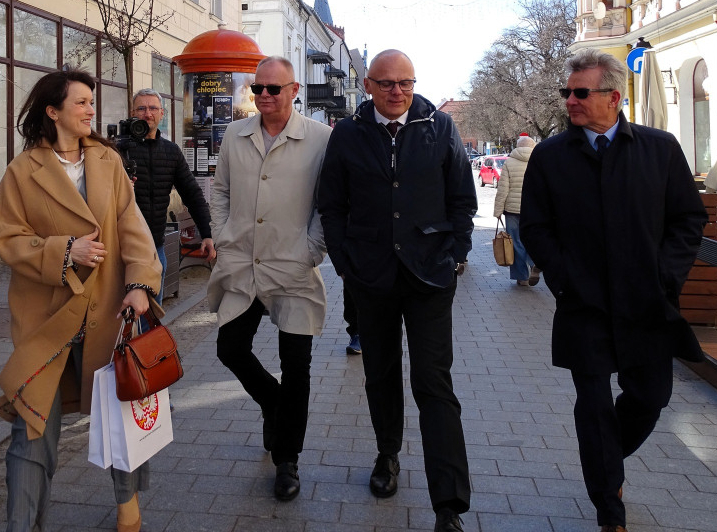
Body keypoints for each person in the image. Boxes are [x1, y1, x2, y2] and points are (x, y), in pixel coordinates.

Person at [520, 49, 707, 532]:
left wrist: (666, 276)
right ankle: (610, 509)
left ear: (614, 97)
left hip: (646, 302)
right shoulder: (550, 156)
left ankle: (604, 462)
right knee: (594, 405)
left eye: (581, 92)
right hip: (584, 305)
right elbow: (535, 226)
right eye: (567, 92)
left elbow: (688, 219)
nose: (571, 101)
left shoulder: (659, 148)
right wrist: (564, 278)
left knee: (651, 397)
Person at [0, 69, 162, 532]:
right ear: (53, 111)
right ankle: (22, 524)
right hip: (47, 320)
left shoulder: (107, 162)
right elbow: (7, 238)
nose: (90, 110)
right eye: (81, 102)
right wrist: (65, 250)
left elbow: (132, 228)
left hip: (108, 311)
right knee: (31, 427)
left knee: (121, 414)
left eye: (91, 101)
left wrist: (140, 284)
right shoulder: (22, 171)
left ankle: (128, 507)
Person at [318, 49, 475, 532]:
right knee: (380, 374)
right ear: (368, 85)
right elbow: (332, 204)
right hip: (372, 277)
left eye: (405, 82)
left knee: (434, 382)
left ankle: (448, 503)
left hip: (430, 276)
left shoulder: (438, 126)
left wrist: (455, 254)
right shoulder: (348, 133)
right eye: (386, 83)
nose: (397, 92)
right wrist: (345, 263)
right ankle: (387, 454)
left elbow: (462, 199)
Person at [208, 56, 333, 502]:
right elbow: (220, 190)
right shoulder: (235, 134)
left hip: (292, 266)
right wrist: (222, 235)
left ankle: (287, 460)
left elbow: (327, 204)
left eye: (273, 89)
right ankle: (272, 401)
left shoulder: (320, 139)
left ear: (293, 90)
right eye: (257, 88)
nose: (263, 95)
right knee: (230, 348)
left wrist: (311, 250)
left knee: (296, 366)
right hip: (242, 263)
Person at [121, 88, 216, 302]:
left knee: (152, 315)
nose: (147, 114)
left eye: (153, 108)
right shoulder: (118, 150)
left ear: (162, 113)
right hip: (121, 248)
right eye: (141, 108)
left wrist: (207, 233)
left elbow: (192, 194)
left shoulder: (171, 151)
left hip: (155, 247)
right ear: (133, 112)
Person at [492, 134, 540, 286]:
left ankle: (522, 277)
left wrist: (498, 211)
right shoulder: (539, 160)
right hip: (534, 209)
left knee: (515, 242)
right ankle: (534, 262)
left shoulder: (509, 162)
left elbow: (503, 189)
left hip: (512, 210)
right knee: (533, 239)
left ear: (518, 147)